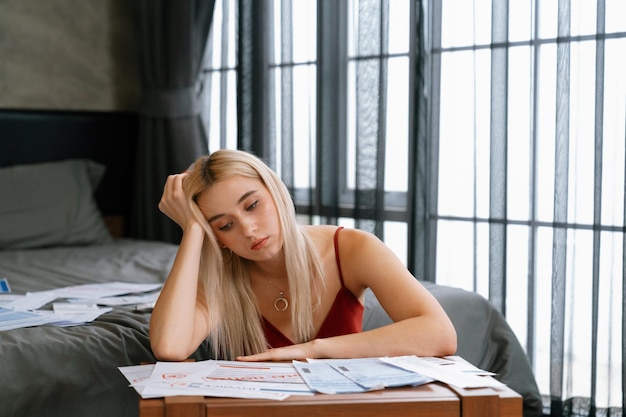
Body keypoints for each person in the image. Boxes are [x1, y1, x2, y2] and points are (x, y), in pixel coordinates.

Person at [150, 149, 456, 362]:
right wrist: (192, 230)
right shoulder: (221, 273)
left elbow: (440, 333)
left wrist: (314, 349)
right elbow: (169, 347)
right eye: (225, 225)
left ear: (276, 192)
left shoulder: (353, 248)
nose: (249, 229)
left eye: (252, 205)